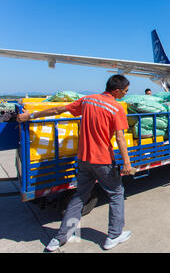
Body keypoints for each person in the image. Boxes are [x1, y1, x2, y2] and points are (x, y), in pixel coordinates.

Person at [17, 75, 134, 251]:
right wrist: (127, 163)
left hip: (84, 159)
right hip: (102, 160)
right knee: (116, 194)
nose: (126, 94)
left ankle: (60, 237)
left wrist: (30, 115)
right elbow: (120, 138)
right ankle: (114, 235)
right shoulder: (116, 108)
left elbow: (57, 111)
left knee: (79, 196)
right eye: (125, 91)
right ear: (116, 90)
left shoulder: (87, 100)